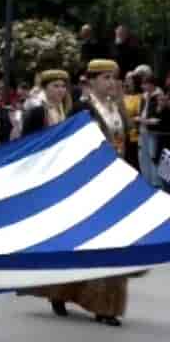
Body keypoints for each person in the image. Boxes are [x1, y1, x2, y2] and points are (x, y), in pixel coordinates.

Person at [27, 59, 129, 326]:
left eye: (113, 77)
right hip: (89, 181)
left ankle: (106, 305)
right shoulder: (82, 109)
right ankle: (62, 290)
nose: (111, 83)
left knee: (114, 242)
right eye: (105, 78)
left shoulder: (117, 107)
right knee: (87, 242)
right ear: (91, 81)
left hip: (116, 181)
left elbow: (126, 144)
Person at [20, 70, 73, 136]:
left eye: (63, 86)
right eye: (56, 86)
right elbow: (27, 139)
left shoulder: (67, 110)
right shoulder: (37, 113)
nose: (61, 90)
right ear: (44, 88)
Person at [134, 67, 162, 187]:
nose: (142, 87)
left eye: (145, 84)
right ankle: (146, 181)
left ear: (152, 85)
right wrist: (140, 120)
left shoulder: (159, 96)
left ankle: (156, 182)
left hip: (153, 132)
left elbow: (158, 119)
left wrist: (143, 120)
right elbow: (142, 112)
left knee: (153, 156)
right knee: (143, 157)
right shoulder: (144, 97)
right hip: (143, 131)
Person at [122, 71, 142, 169]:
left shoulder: (139, 97)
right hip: (122, 134)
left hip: (134, 135)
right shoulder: (123, 96)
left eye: (129, 79)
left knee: (133, 162)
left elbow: (140, 115)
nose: (126, 81)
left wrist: (129, 119)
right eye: (126, 79)